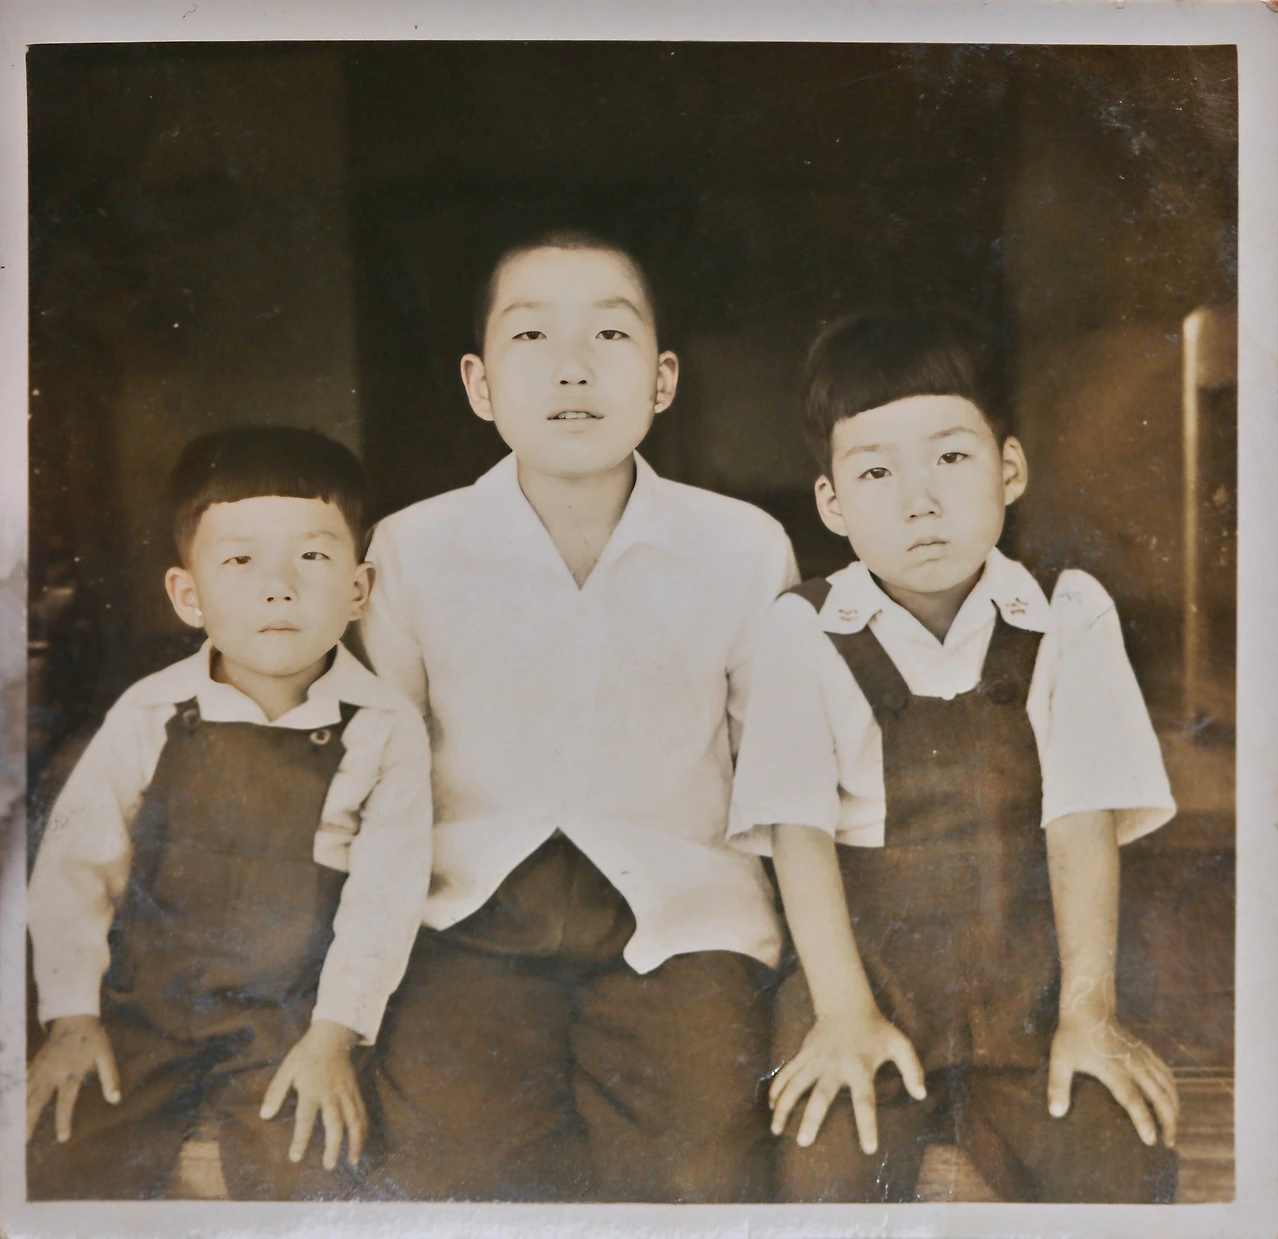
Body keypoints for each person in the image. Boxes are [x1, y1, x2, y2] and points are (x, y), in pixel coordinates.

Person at [359, 228, 798, 1202]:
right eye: (530, 336)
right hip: (467, 926)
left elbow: (781, 780)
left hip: (685, 927)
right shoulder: (409, 549)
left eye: (609, 333)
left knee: (696, 1174)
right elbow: (382, 782)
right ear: (478, 384)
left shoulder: (741, 547)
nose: (572, 367)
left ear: (663, 378)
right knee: (453, 1177)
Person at [729, 309, 1180, 1203]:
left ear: (1009, 469)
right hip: (865, 982)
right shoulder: (802, 628)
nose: (920, 500)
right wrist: (843, 1014)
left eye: (950, 457)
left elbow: (1082, 819)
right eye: (876, 471)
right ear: (831, 502)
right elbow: (797, 836)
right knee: (826, 1166)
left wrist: (1087, 1011)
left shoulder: (1068, 611)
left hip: (1031, 989)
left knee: (1119, 1152)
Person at [26, 426, 433, 1200]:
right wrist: (72, 1016)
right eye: (241, 561)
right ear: (188, 594)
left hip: (290, 1019)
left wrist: (333, 1035)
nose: (279, 587)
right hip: (146, 1007)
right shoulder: (148, 712)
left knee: (306, 1173)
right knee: (59, 1158)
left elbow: (385, 898)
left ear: (358, 588)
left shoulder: (385, 727)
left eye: (311, 556)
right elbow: (75, 869)